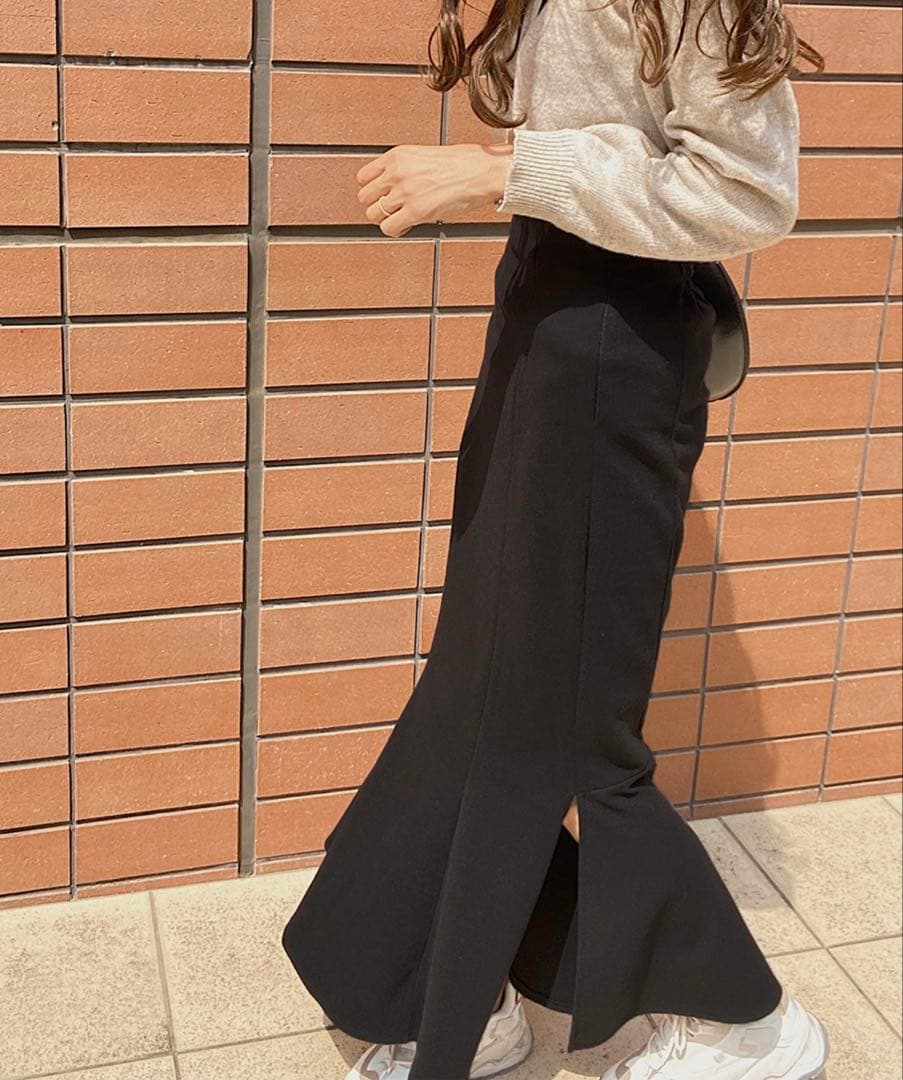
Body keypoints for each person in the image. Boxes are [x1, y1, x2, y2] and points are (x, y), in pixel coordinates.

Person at [281, 0, 831, 1077]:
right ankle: (463, 992)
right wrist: (516, 180)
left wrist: (501, 172)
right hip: (548, 320)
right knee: (483, 694)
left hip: (612, 348)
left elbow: (747, 190)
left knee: (579, 728)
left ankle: (745, 1022)